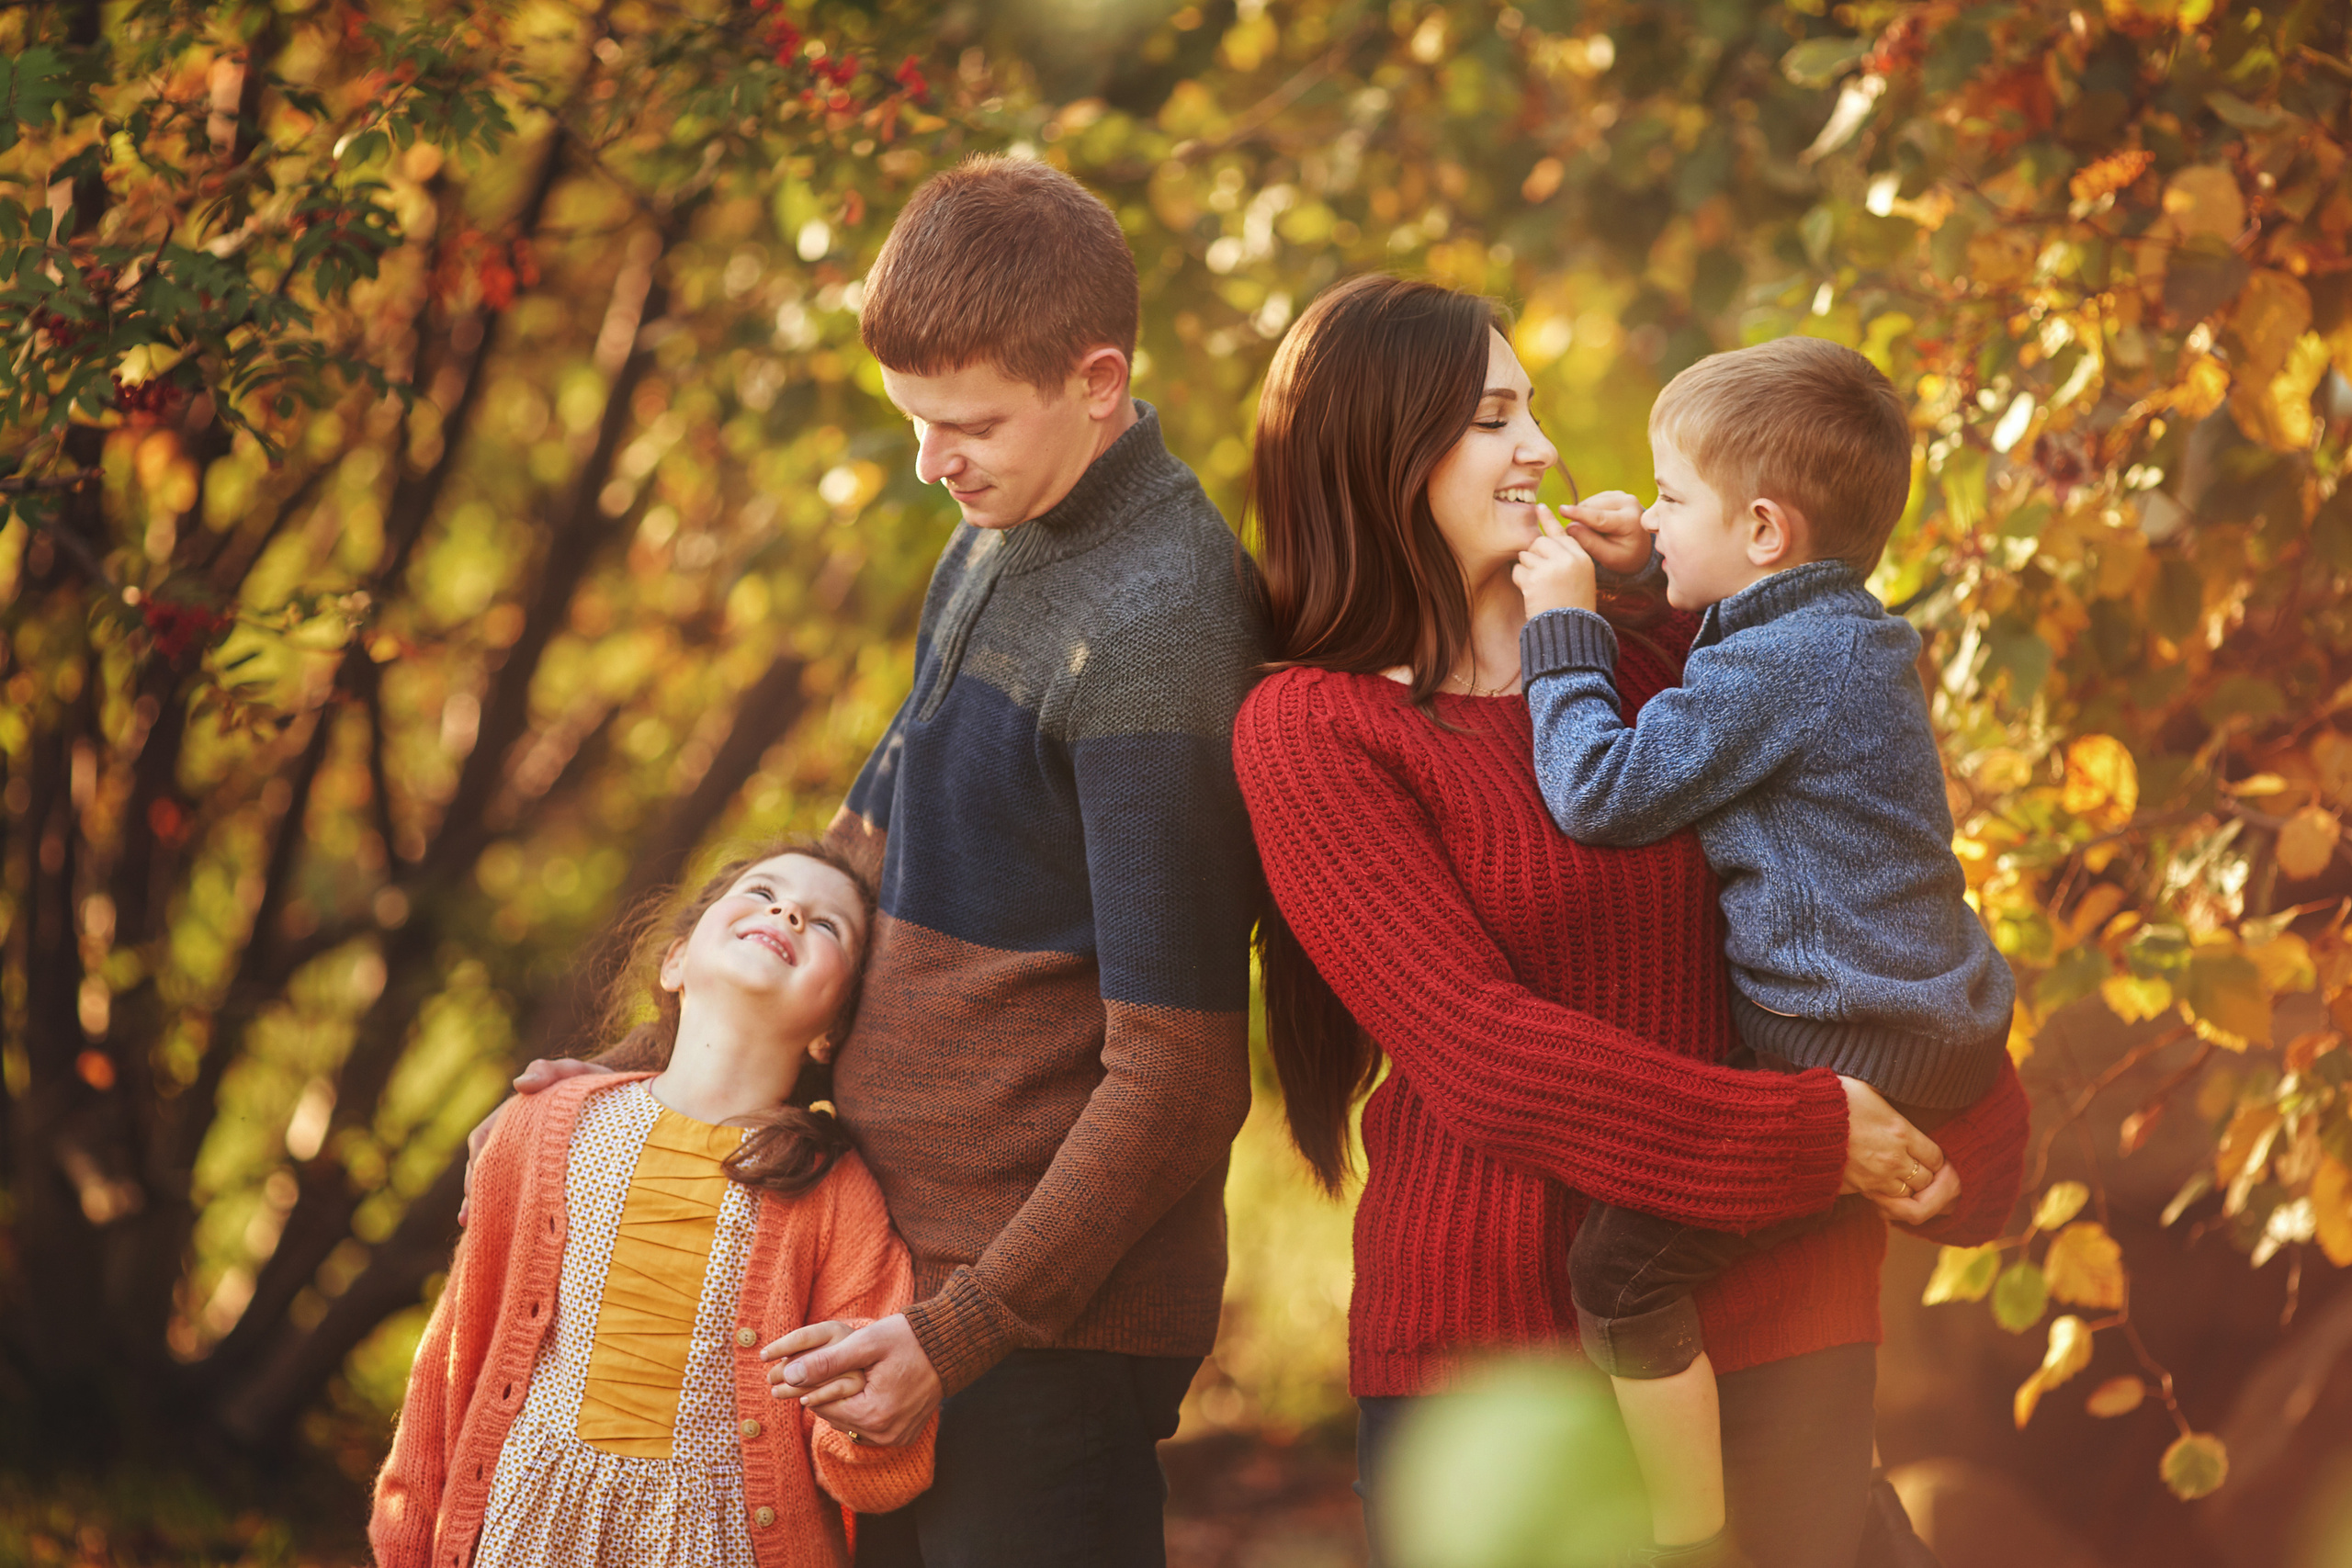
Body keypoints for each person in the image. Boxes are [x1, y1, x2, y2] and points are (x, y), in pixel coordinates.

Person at [487, 155, 1264, 1567]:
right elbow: (853, 856)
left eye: (966, 423)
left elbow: (1183, 1073)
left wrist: (957, 1333)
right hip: (884, 1284)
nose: (931, 462)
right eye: (911, 422)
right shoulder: (995, 534)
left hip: (1037, 1338)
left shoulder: (1159, 630)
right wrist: (649, 1079)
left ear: (1099, 381)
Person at [1228, 274, 2030, 1568]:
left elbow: (1866, 886)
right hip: (1496, 1363)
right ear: (1384, 456)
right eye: (1495, 419)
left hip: (1784, 1326)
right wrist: (1819, 1135)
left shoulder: (1682, 662)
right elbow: (1485, 1051)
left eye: (1532, 407)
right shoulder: (1320, 729)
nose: (1541, 448)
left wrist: (1966, 1125)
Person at [1510, 336, 2016, 1567]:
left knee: (1622, 1273)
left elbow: (1603, 785)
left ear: (1768, 529)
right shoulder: (1838, 632)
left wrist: (1566, 629)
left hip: (1842, 1039)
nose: (1656, 514)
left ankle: (1691, 1533)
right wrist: (1651, 575)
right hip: (1929, 1021)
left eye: (1673, 496)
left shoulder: (1776, 665)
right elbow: (1717, 671)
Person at [373, 840, 933, 1568]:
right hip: (521, 1532)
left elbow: (874, 1466)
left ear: (832, 1030)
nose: (789, 911)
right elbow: (450, 1362)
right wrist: (406, 1545)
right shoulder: (542, 1125)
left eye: (829, 927)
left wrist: (861, 1424)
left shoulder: (837, 1193)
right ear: (674, 962)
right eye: (763, 889)